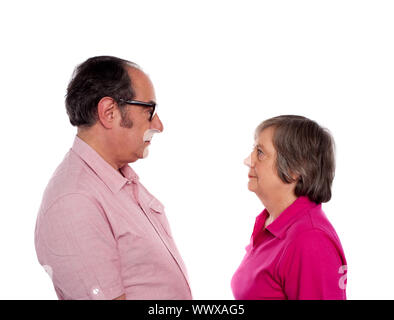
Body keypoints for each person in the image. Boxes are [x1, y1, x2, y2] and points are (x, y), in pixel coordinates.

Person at [34, 56, 192, 300]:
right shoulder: (74, 202)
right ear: (108, 112)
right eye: (149, 111)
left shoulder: (117, 180)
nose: (159, 125)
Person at [231, 115, 347, 300]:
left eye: (260, 152)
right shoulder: (272, 225)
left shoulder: (310, 239)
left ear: (294, 169)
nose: (248, 160)